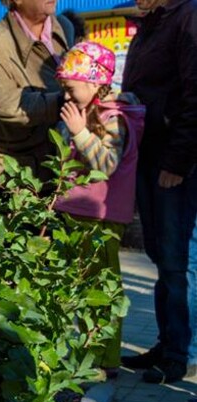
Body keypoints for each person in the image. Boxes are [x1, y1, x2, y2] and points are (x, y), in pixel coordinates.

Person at [53, 42, 145, 380]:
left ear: (94, 84)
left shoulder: (114, 118)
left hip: (100, 218)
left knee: (102, 290)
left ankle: (105, 360)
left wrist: (80, 132)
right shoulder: (84, 111)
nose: (66, 96)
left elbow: (106, 164)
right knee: (80, 288)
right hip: (76, 212)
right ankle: (87, 354)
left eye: (70, 88)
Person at [119, 0, 197, 388]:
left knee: (177, 260)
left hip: (173, 161)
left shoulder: (188, 16)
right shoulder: (152, 23)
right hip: (149, 156)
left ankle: (181, 354)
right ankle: (167, 343)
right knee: (159, 256)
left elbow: (194, 95)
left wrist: (178, 160)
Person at [0, 0, 69, 181]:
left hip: (48, 158)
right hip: (5, 169)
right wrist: (62, 102)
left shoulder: (64, 26)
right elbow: (2, 103)